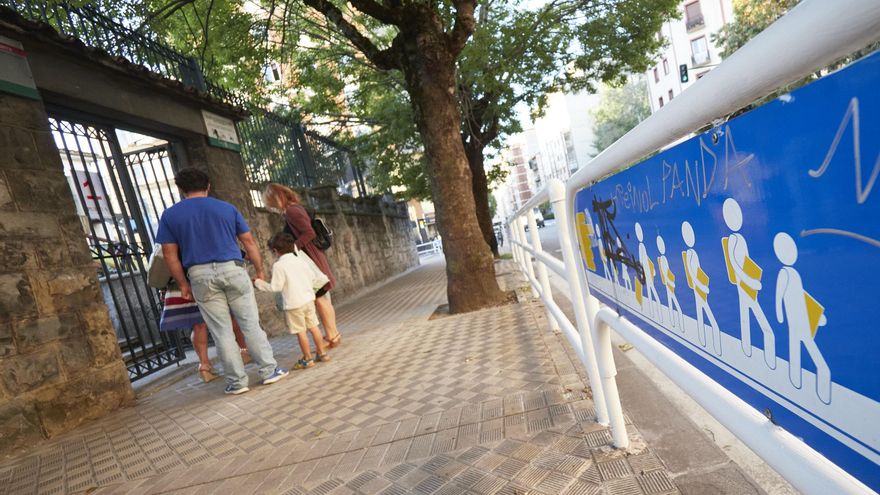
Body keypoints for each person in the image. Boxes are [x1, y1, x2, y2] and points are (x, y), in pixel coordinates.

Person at [157, 168, 288, 395]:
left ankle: (237, 383)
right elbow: (248, 242)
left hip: (200, 275)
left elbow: (169, 255)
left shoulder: (170, 215)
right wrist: (259, 270)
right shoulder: (227, 208)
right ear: (207, 185)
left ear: (181, 189)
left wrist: (184, 284)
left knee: (221, 331)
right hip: (233, 269)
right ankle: (269, 371)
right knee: (249, 324)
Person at [263, 183, 341, 348]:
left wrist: (294, 248)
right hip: (312, 256)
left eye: (270, 202)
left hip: (310, 257)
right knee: (323, 298)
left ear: (276, 198)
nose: (270, 207)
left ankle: (333, 336)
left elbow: (309, 232)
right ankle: (333, 335)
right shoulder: (294, 209)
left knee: (320, 298)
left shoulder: (292, 211)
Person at [255, 233, 332, 370]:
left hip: (293, 304)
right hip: (308, 299)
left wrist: (259, 283)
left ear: (275, 251)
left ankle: (307, 358)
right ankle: (322, 353)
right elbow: (312, 277)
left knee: (301, 331)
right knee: (314, 327)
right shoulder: (300, 260)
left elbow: (275, 287)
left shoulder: (279, 266)